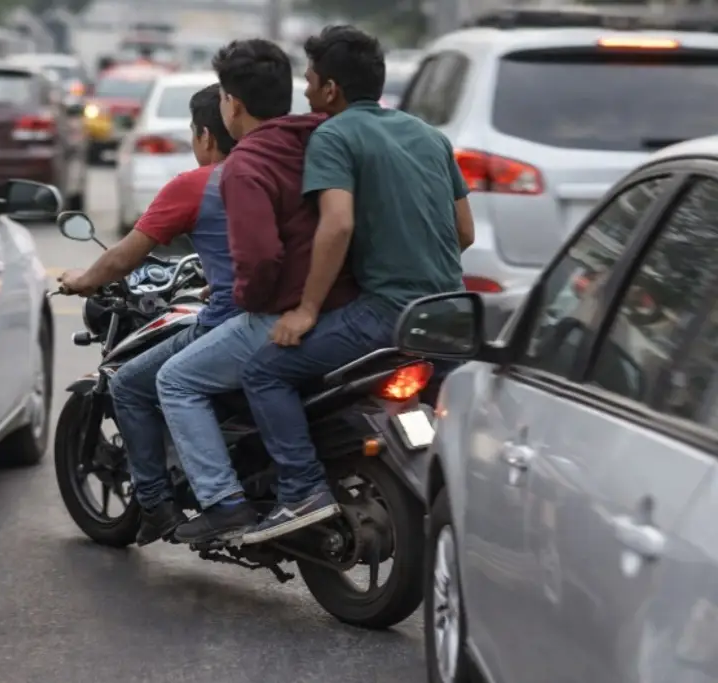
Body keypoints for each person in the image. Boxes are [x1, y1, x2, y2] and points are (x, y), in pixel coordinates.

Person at [238, 25, 475, 545]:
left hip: (387, 315)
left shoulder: (334, 135)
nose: (305, 91)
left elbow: (337, 224)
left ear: (331, 90)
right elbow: (465, 232)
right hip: (452, 317)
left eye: (311, 81)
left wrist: (305, 310)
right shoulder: (431, 136)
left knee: (264, 374)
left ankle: (300, 491)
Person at [160, 39, 357, 545]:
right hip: (351, 305)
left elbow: (260, 257)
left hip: (283, 313)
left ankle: (224, 504)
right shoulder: (321, 135)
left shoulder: (246, 164)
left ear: (233, 104)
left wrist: (245, 300)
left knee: (175, 381)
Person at [57, 84, 239, 546]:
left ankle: (158, 505)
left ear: (204, 135)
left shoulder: (199, 183)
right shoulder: (285, 172)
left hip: (235, 320)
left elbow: (123, 257)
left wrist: (84, 279)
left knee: (131, 383)